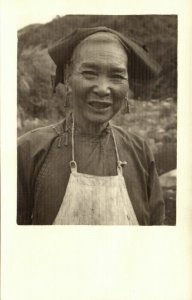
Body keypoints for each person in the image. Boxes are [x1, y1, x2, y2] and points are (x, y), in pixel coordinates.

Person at [17, 26, 165, 225]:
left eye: (116, 76)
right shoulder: (29, 150)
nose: (103, 89)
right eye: (89, 73)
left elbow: (156, 238)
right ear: (68, 80)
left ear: (127, 85)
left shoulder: (140, 151)